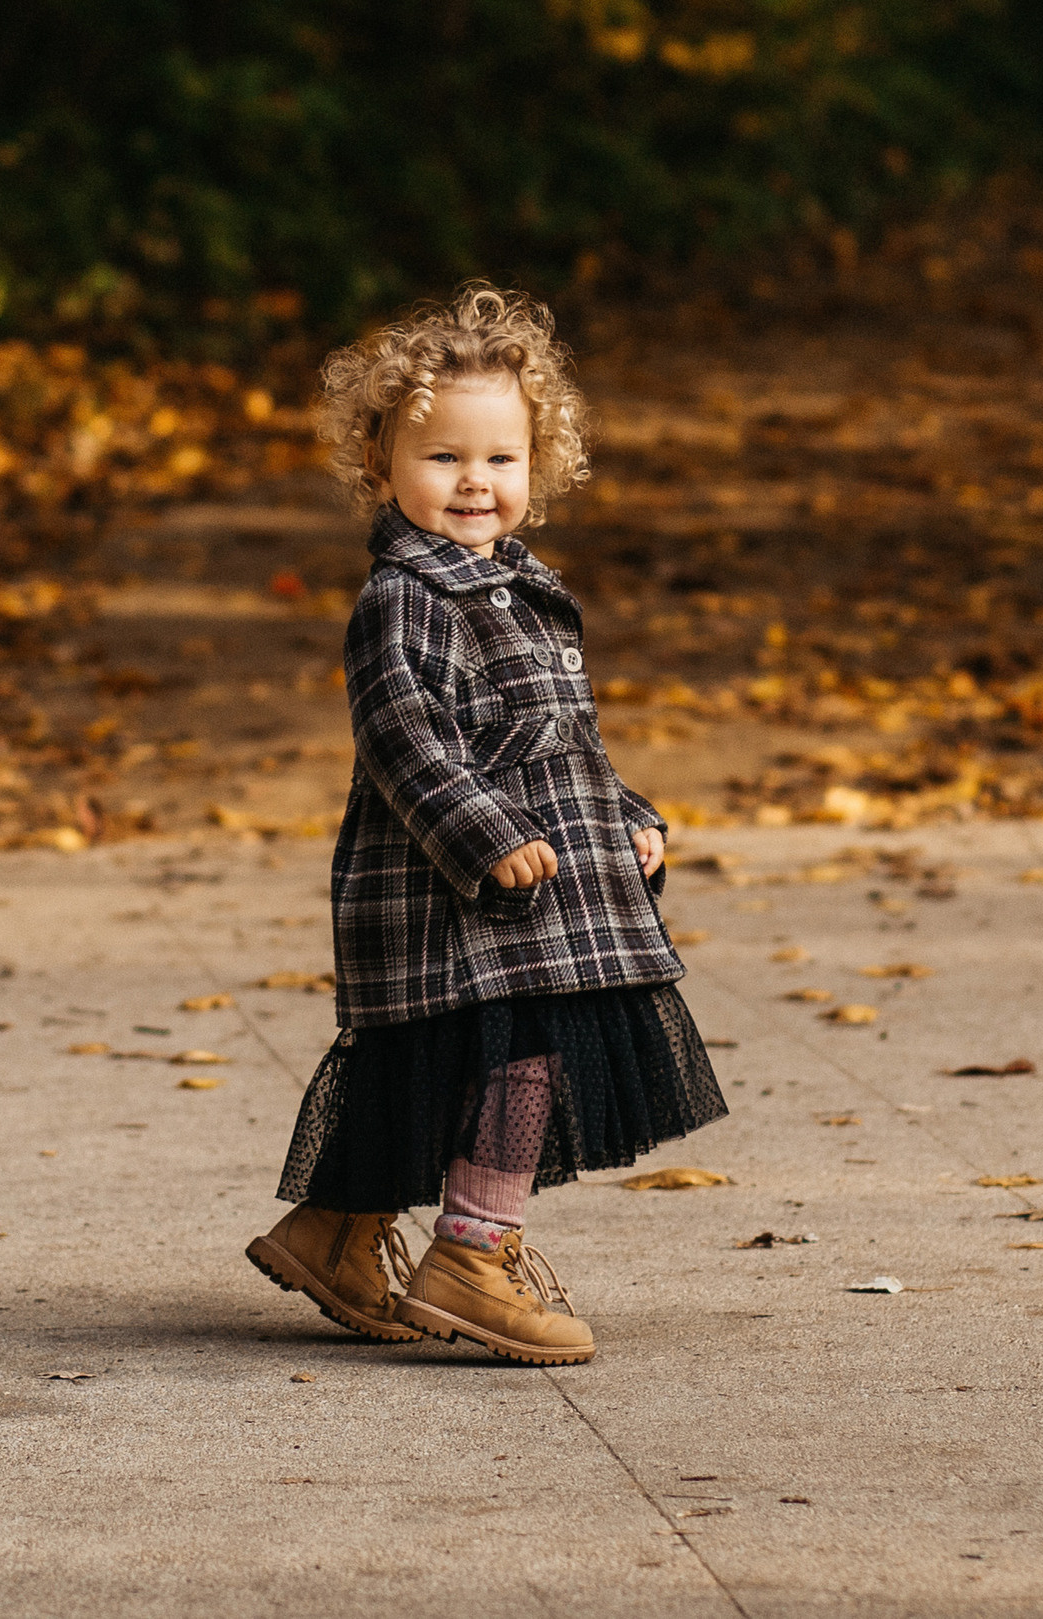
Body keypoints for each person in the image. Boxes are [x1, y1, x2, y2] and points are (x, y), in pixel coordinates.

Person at [247, 284, 726, 1366]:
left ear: (538, 467)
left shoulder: (520, 587)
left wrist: (627, 820)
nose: (475, 483)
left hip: (535, 883)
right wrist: (481, 834)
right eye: (443, 459)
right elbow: (404, 738)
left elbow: (565, 742)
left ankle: (333, 1231)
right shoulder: (405, 597)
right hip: (454, 885)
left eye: (500, 460)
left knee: (444, 1067)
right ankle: (472, 1253)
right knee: (514, 1062)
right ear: (380, 464)